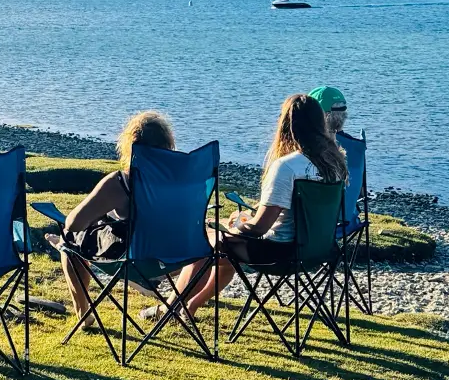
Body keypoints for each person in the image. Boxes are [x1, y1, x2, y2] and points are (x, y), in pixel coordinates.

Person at [174, 93, 347, 317]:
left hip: (278, 252)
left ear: (287, 125)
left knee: (204, 239)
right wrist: (241, 223)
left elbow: (260, 228)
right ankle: (191, 306)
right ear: (319, 124)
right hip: (317, 250)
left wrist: (235, 227)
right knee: (225, 250)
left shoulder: (287, 166)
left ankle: (168, 307)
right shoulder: (335, 165)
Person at [45, 111, 176, 327]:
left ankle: (84, 315)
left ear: (129, 146)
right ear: (168, 145)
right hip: (176, 255)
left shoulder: (121, 183)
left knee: (69, 241)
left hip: (133, 258)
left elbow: (74, 223)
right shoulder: (184, 182)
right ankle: (154, 286)